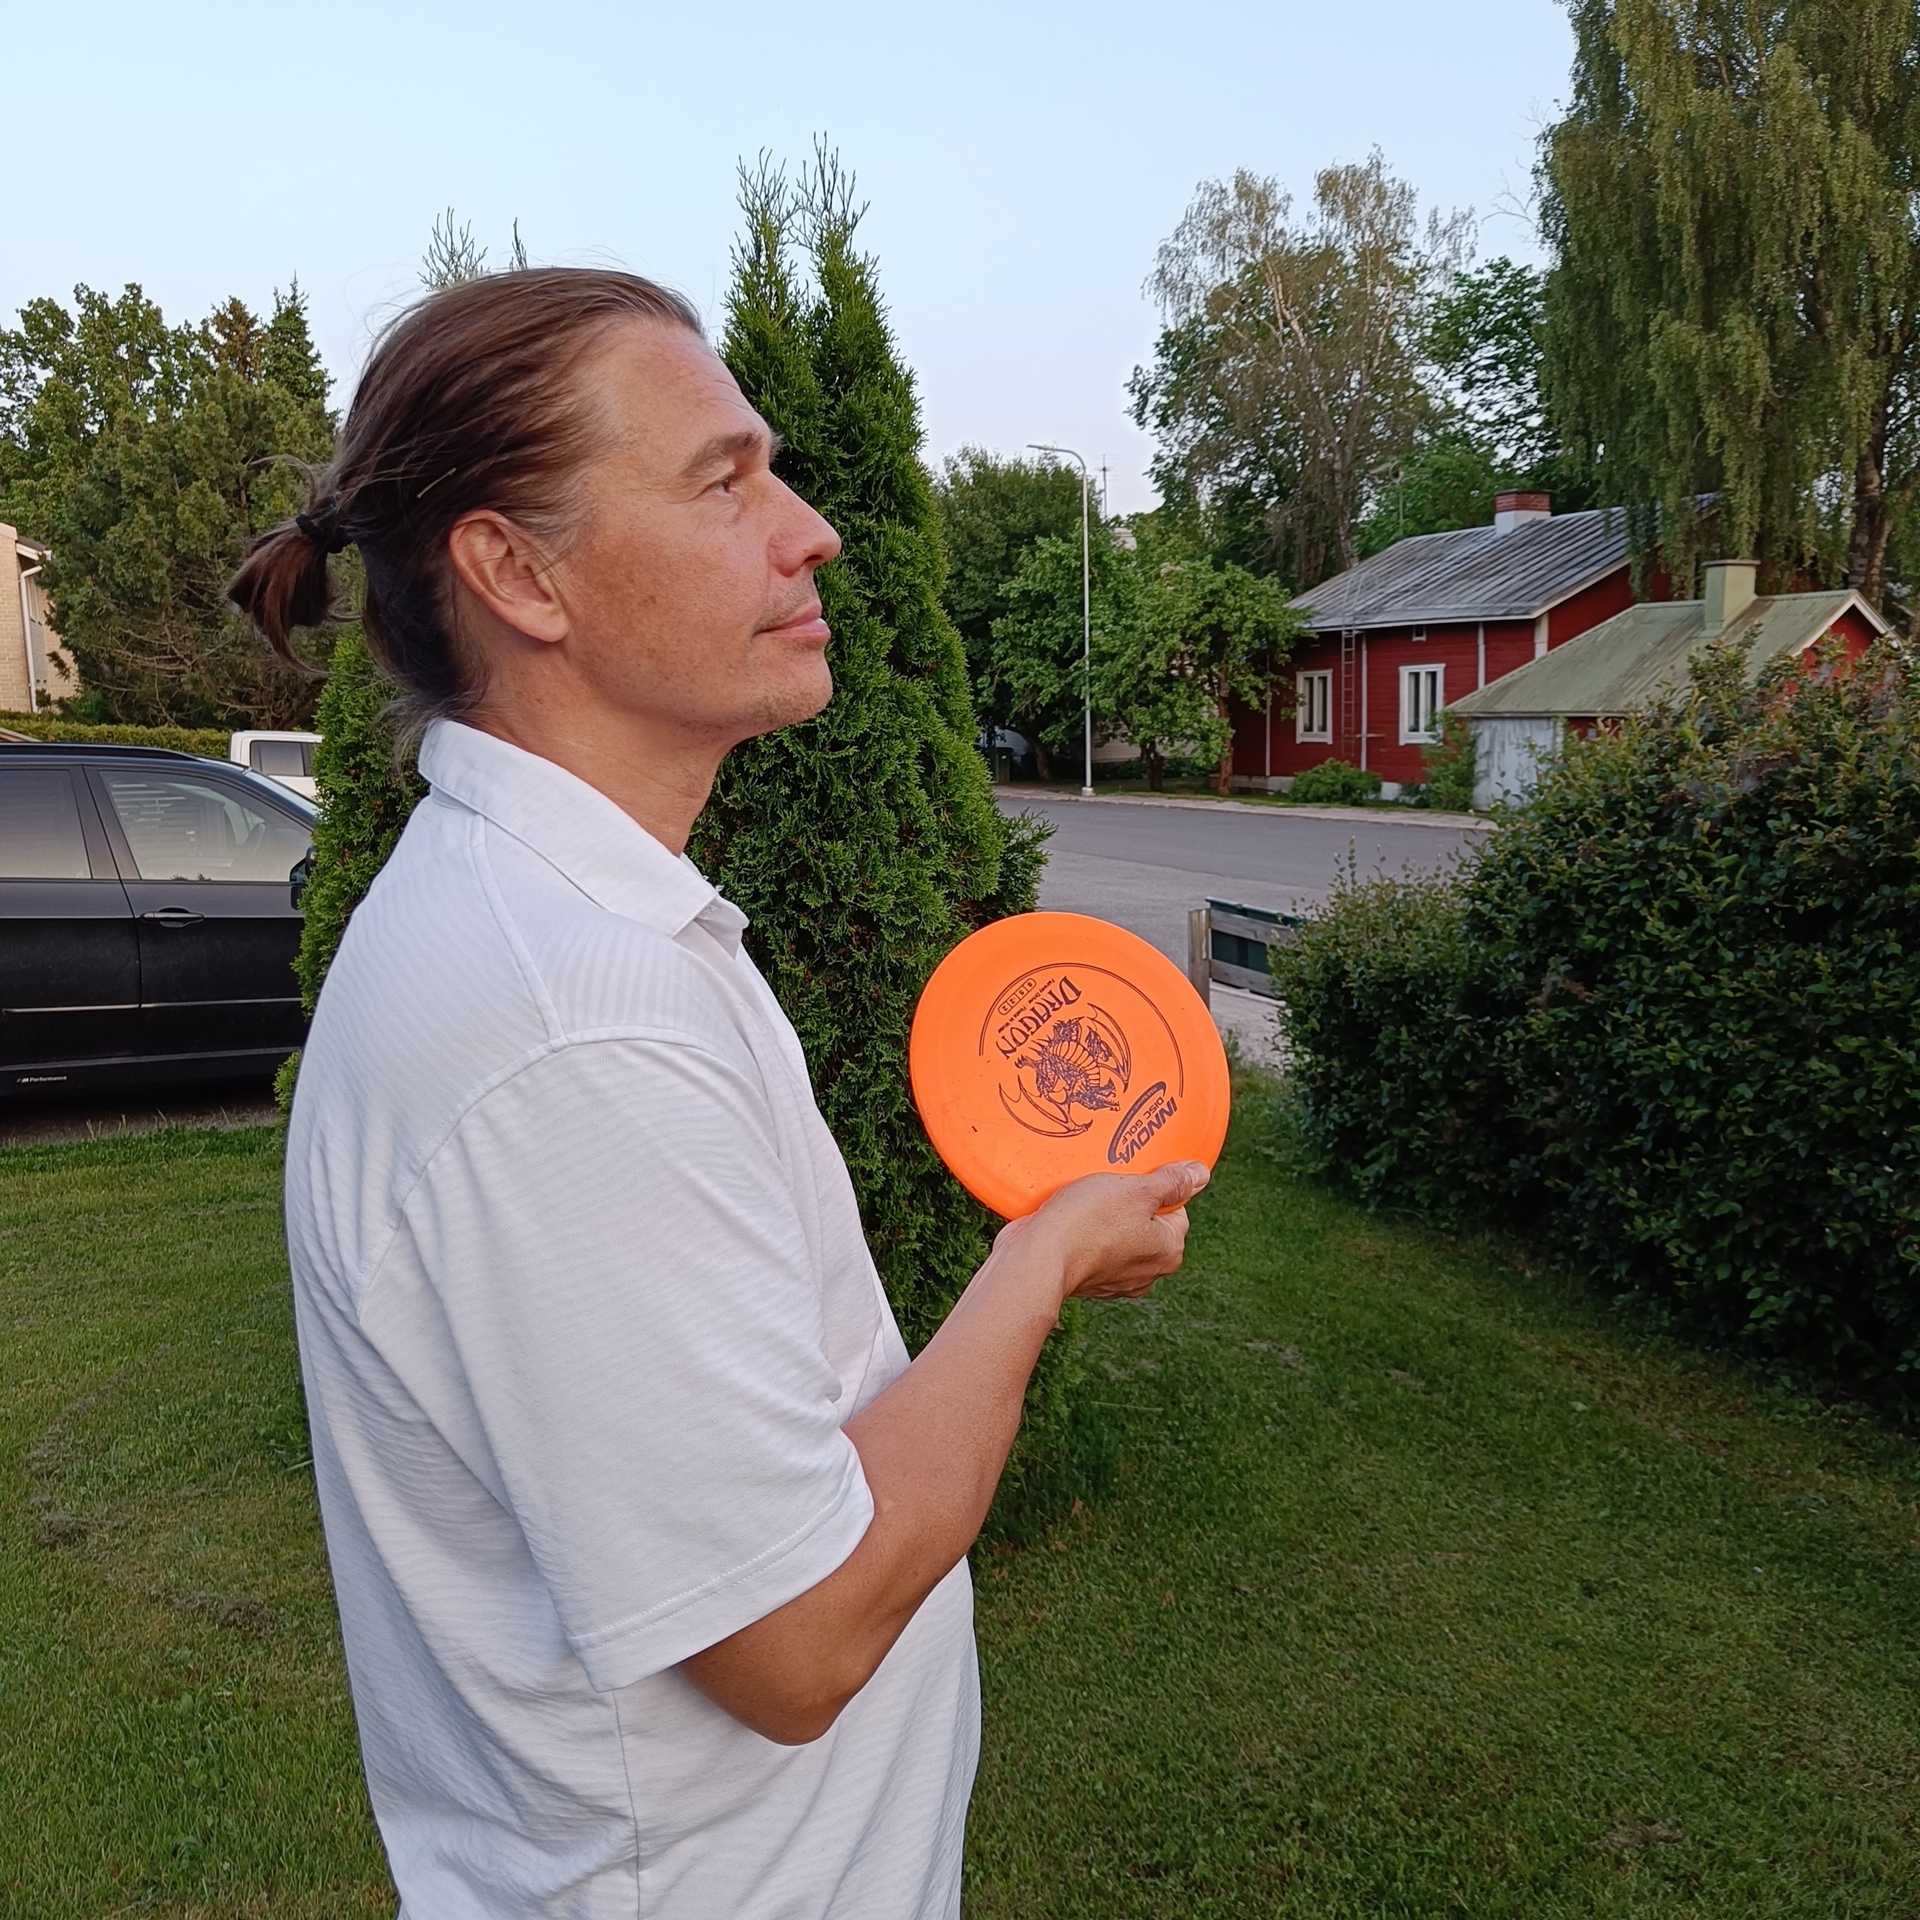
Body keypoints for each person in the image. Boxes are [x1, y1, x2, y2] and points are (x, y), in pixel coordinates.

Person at [229, 267, 1207, 1920]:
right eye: (724, 479)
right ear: (519, 573)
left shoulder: (574, 928)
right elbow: (797, 1640)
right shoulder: (569, 1031)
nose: (813, 528)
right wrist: (1037, 1265)